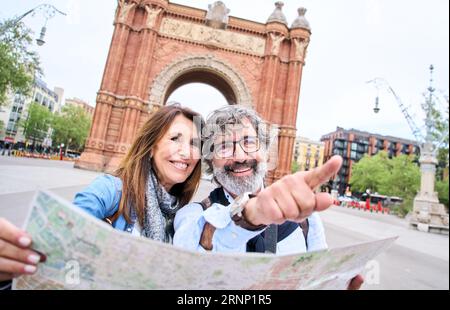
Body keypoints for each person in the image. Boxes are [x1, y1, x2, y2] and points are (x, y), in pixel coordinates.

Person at [0, 104, 204, 289]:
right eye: (175, 138)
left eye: (194, 144)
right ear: (151, 147)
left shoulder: (183, 216)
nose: (186, 152)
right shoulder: (111, 190)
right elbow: (60, 237)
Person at [174, 105, 364, 290]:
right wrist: (250, 216)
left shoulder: (307, 221)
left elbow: (317, 281)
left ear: (265, 151)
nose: (240, 156)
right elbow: (190, 274)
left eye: (249, 142)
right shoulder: (192, 217)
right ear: (210, 160)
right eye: (224, 147)